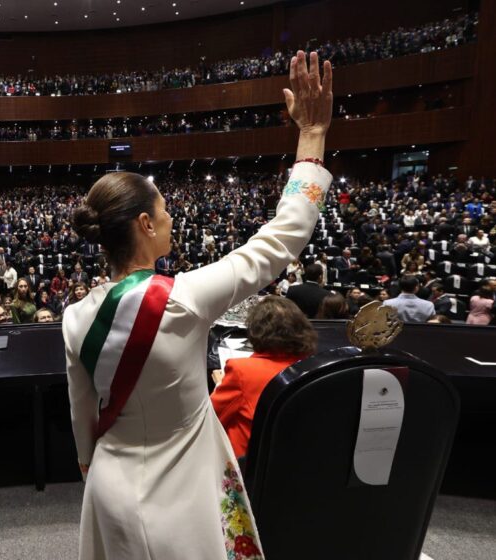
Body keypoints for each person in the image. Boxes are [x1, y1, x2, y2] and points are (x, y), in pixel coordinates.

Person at [62, 51, 332, 560]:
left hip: (109, 485)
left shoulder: (76, 318)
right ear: (144, 225)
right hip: (181, 489)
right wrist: (312, 135)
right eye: (164, 212)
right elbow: (280, 241)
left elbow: (82, 417)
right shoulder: (185, 298)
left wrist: (90, 468)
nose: (171, 219)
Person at [211, 297, 317, 457]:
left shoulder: (241, 371)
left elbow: (211, 419)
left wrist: (220, 384)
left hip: (246, 469)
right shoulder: (314, 368)